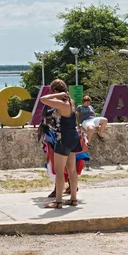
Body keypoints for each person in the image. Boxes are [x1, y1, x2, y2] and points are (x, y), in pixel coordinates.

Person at [40, 79, 81, 209]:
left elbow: (43, 99)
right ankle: (73, 199)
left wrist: (56, 95)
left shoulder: (61, 103)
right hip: (73, 137)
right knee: (72, 170)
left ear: (56, 91)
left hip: (63, 138)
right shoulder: (71, 102)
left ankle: (58, 201)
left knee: (59, 171)